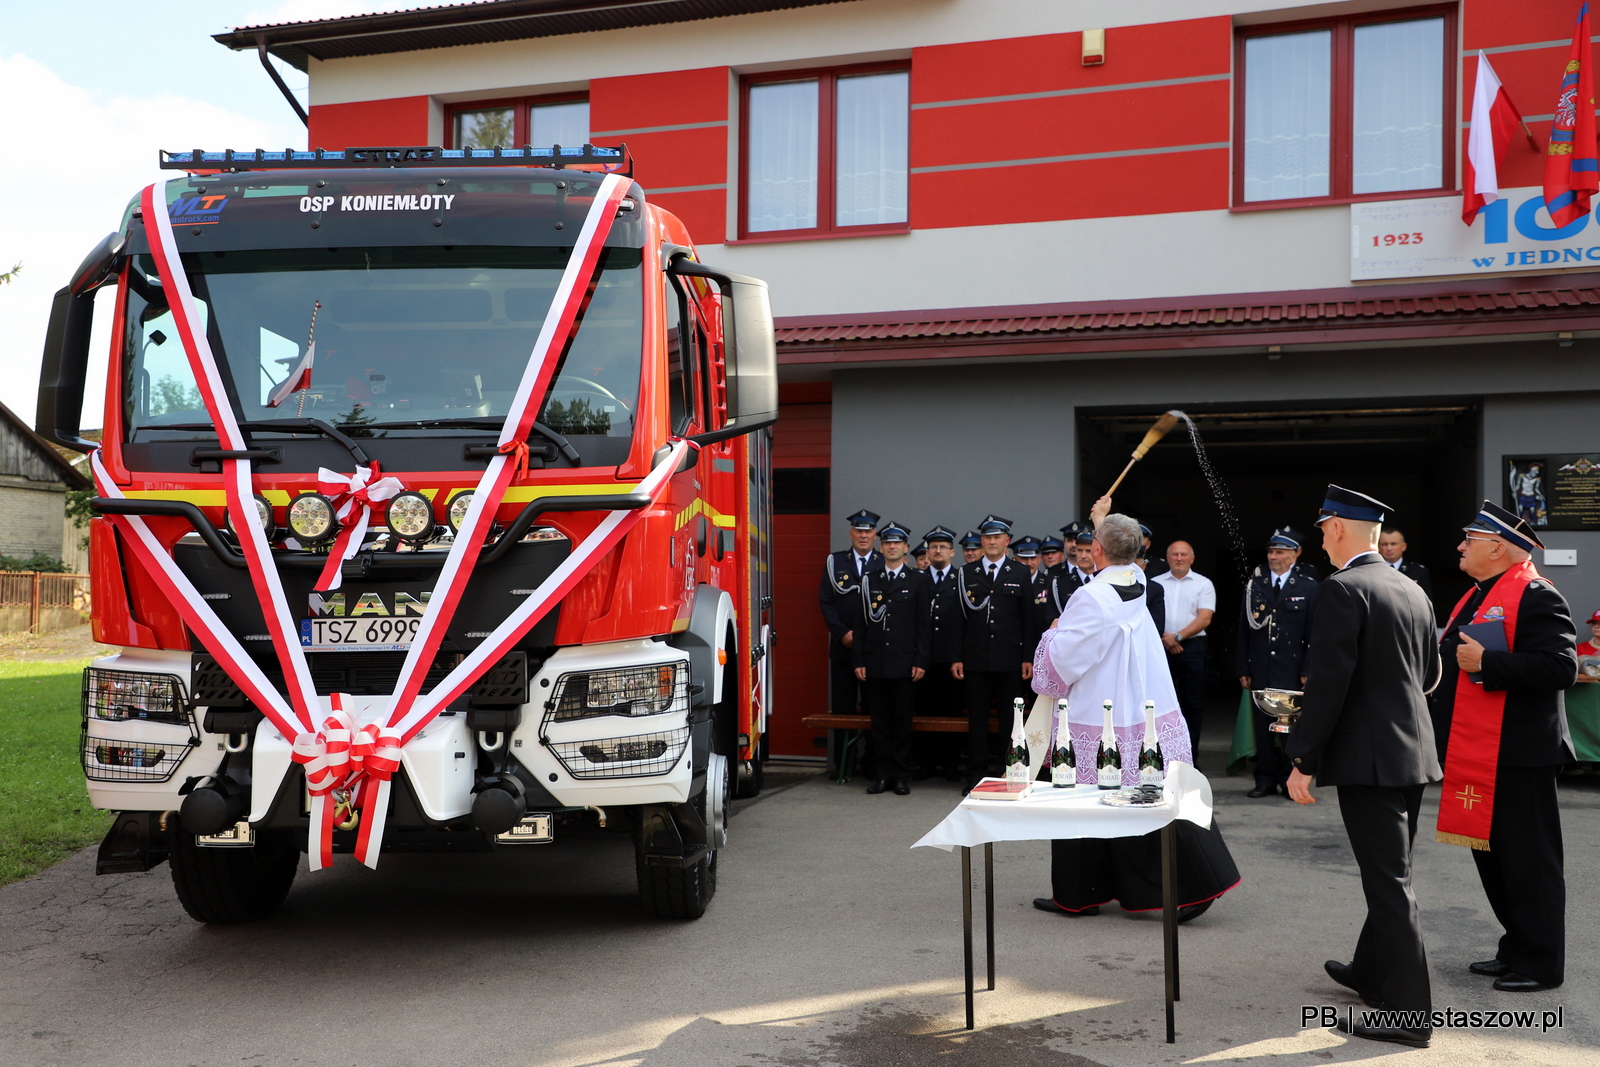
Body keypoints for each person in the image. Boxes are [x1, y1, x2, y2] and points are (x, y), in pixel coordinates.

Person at [1031, 500, 1239, 922]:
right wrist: (1102, 523)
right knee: (1153, 791)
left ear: (1098, 551)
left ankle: (1081, 892)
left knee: (1085, 797)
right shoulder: (1138, 579)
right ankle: (1182, 881)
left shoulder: (1091, 596)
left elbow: (1067, 659)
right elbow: (1120, 553)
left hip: (1101, 709)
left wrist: (1052, 634)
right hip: (1143, 705)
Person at [1286, 485, 1441, 1050]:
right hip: (1412, 752)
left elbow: (1328, 685)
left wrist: (1302, 756)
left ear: (1341, 529)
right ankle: (1371, 972)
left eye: (1324, 526)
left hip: (1370, 758)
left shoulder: (1343, 588)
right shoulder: (1412, 588)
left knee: (1389, 882)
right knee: (1392, 873)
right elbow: (1429, 676)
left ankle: (1408, 1017)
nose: (1320, 535)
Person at [1430, 501, 1576, 993]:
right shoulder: (1478, 593)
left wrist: (1490, 662)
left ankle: (1540, 963)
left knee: (1529, 861)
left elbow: (1562, 668)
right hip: (1481, 750)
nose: (1460, 546)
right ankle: (1516, 946)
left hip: (1521, 752)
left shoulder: (1535, 594)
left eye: (1468, 539)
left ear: (1497, 546)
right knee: (1493, 858)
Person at [953, 514, 1033, 790]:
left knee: (1010, 722)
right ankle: (975, 776)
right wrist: (957, 656)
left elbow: (1028, 619)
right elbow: (958, 619)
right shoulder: (966, 573)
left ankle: (1006, 773)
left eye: (997, 537)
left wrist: (1027, 657)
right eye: (986, 537)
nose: (991, 542)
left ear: (1007, 541)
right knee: (977, 720)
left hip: (1009, 659)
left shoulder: (1021, 572)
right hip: (975, 658)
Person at [1237, 528, 1318, 799]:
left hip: (1292, 670)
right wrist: (1243, 668)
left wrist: (1307, 670)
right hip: (1261, 668)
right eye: (1271, 551)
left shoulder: (1308, 587)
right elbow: (1243, 630)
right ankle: (1264, 779)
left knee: (1289, 730)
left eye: (1280, 552)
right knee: (1262, 730)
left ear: (1295, 555)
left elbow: (1314, 634)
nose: (1274, 556)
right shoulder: (1255, 585)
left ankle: (1287, 780)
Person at [854, 522, 932, 796]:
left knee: (901, 724)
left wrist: (921, 660)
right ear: (881, 547)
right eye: (887, 542)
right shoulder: (870, 579)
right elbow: (861, 623)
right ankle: (881, 775)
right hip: (875, 663)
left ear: (906, 548)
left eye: (897, 543)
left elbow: (924, 625)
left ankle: (901, 776)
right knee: (880, 724)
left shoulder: (918, 580)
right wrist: (859, 660)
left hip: (904, 664)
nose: (892, 546)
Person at [819, 510, 882, 772]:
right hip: (843, 647)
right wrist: (842, 633)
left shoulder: (883, 561)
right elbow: (826, 601)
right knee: (843, 707)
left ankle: (870, 764)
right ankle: (842, 765)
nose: (864, 535)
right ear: (851, 533)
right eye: (859, 530)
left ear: (875, 535)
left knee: (873, 707)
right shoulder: (835, 561)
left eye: (868, 531)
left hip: (874, 650)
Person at [1153, 541, 1215, 755]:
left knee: (1191, 704)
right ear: (1167, 557)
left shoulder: (1203, 584)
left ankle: (1190, 756)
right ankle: (1162, 756)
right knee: (1160, 704)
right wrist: (1167, 640)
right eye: (1175, 554)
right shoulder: (1154, 583)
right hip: (1160, 647)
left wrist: (1177, 637)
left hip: (1192, 649)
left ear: (1192, 558)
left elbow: (1205, 617)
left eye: (1183, 554)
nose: (1179, 558)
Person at [917, 526, 965, 781]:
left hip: (951, 659)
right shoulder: (917, 579)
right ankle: (925, 765)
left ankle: (950, 766)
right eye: (933, 547)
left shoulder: (961, 579)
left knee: (952, 713)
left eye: (943, 547)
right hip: (924, 660)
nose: (938, 551)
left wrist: (959, 656)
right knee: (924, 713)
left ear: (952, 552)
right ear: (927, 552)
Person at [1379, 525, 1434, 603]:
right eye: (1384, 544)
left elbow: (1426, 603)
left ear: (1403, 546)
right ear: (1378, 547)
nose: (1389, 548)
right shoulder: (1371, 571)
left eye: (1393, 544)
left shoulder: (1419, 572)